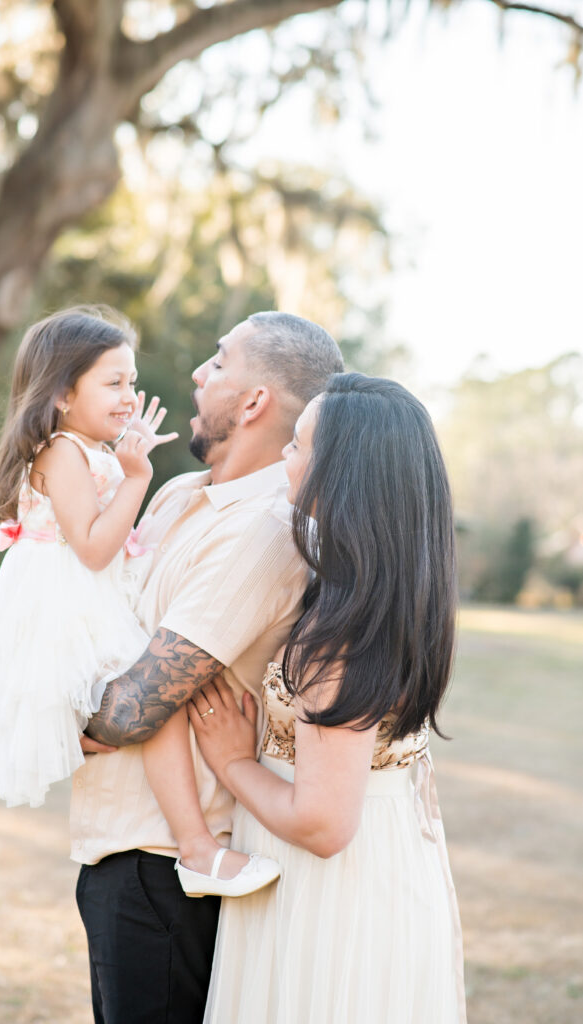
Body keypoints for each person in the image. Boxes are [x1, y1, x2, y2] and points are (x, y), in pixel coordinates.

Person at [72, 311, 345, 1024]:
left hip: (168, 868)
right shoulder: (173, 493)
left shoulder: (263, 531)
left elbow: (133, 707)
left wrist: (37, 719)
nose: (197, 373)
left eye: (219, 363)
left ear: (255, 402)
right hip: (114, 844)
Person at [189, 373, 467, 1024]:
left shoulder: (339, 637)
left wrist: (233, 764)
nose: (283, 457)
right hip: (386, 859)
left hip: (331, 894)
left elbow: (323, 824)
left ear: (338, 476)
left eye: (297, 446)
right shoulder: (387, 599)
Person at [0, 305, 277, 898]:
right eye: (112, 383)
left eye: (131, 383)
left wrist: (125, 461)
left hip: (88, 600)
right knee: (155, 708)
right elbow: (91, 548)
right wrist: (136, 478)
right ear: (62, 393)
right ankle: (196, 848)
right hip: (67, 608)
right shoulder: (62, 452)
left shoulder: (90, 450)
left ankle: (192, 843)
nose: (128, 397)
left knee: (151, 707)